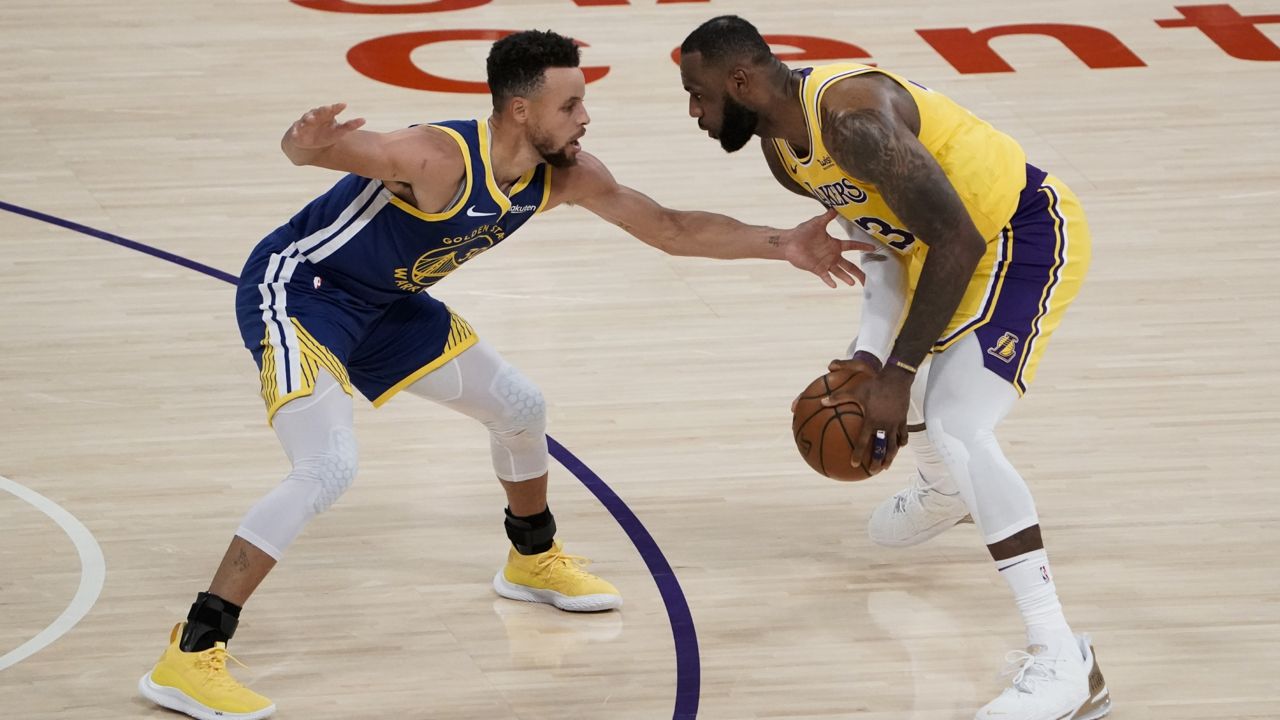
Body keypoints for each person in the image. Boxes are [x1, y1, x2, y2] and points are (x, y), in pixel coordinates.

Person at [137, 29, 875, 720]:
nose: (586, 117)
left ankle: (532, 559)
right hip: (303, 296)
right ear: (521, 110)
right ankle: (192, 652)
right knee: (327, 466)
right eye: (571, 103)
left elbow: (669, 227)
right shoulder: (438, 157)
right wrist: (304, 143)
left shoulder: (563, 176)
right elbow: (332, 153)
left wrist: (782, 244)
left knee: (519, 407)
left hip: (390, 303)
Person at [677, 15, 1109, 720]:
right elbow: (885, 251)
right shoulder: (787, 152)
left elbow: (957, 240)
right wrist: (867, 359)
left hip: (1016, 237)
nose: (693, 111)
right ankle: (947, 488)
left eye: (698, 93)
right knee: (899, 396)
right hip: (947, 253)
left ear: (741, 81)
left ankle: (1065, 659)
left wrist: (898, 373)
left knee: (958, 420)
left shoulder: (854, 122)